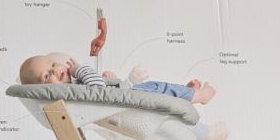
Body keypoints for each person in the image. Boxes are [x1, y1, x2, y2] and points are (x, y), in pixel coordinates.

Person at [18, 54, 216, 104]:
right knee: (159, 89)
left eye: (53, 65)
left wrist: (108, 78)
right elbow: (99, 93)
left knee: (159, 87)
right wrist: (81, 70)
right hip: (128, 98)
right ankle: (200, 96)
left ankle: (186, 92)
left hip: (124, 92)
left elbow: (100, 87)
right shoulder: (69, 92)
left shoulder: (73, 86)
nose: (55, 71)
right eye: (47, 75)